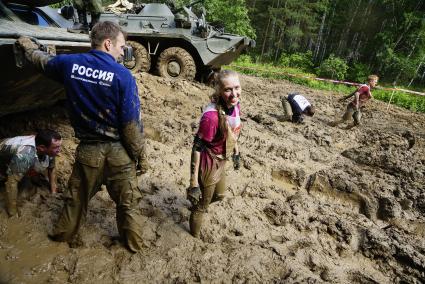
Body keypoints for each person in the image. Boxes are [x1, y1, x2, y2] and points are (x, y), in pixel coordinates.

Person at [17, 21, 146, 252]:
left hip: (88, 152)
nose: (122, 52)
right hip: (119, 153)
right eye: (121, 46)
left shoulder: (70, 64)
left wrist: (28, 47)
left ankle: (60, 238)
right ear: (108, 43)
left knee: (75, 200)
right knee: (129, 205)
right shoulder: (123, 76)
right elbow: (130, 126)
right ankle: (134, 246)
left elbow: (42, 62)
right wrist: (140, 156)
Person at [186, 70, 242, 238]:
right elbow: (196, 148)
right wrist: (193, 182)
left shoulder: (234, 104)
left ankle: (199, 200)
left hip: (222, 158)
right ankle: (193, 237)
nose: (234, 94)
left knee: (220, 195)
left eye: (237, 88)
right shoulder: (211, 118)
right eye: (228, 90)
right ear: (218, 91)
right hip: (208, 161)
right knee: (203, 205)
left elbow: (232, 131)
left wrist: (236, 152)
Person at [0, 130, 62, 217]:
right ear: (42, 147)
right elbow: (11, 183)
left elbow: (51, 168)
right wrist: (12, 212)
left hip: (13, 153)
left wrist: (53, 191)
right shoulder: (26, 154)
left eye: (59, 146)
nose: (59, 150)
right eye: (56, 147)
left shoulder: (50, 150)